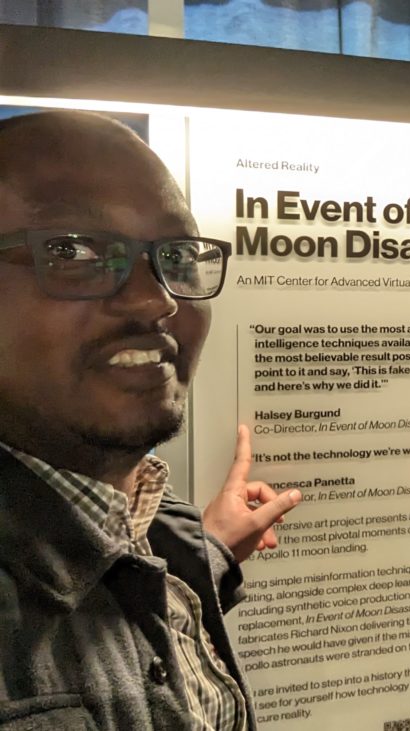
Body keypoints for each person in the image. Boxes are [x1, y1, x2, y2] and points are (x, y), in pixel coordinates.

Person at [0, 111, 301, 730]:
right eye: (71, 251)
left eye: (176, 254)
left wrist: (204, 551)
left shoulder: (147, 527)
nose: (155, 298)